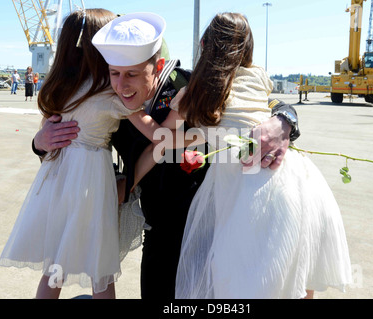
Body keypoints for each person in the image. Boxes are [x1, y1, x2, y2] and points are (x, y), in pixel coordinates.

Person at [34, 12, 300, 299]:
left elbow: (263, 103)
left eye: (133, 73)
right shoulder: (109, 101)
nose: (122, 84)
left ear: (156, 66)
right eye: (115, 71)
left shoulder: (188, 84)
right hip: (158, 229)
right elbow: (78, 156)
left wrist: (284, 120)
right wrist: (40, 142)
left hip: (209, 227)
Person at [145, 12, 351, 299]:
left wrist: (129, 112)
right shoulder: (258, 76)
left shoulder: (195, 92)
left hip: (248, 194)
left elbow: (162, 137)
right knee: (295, 276)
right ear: (248, 48)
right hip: (295, 181)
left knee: (238, 281)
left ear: (204, 44)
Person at [0, 8, 135, 299]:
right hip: (91, 182)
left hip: (57, 182)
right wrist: (39, 141)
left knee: (55, 266)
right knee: (101, 268)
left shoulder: (58, 87)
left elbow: (49, 139)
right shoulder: (110, 92)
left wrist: (40, 140)